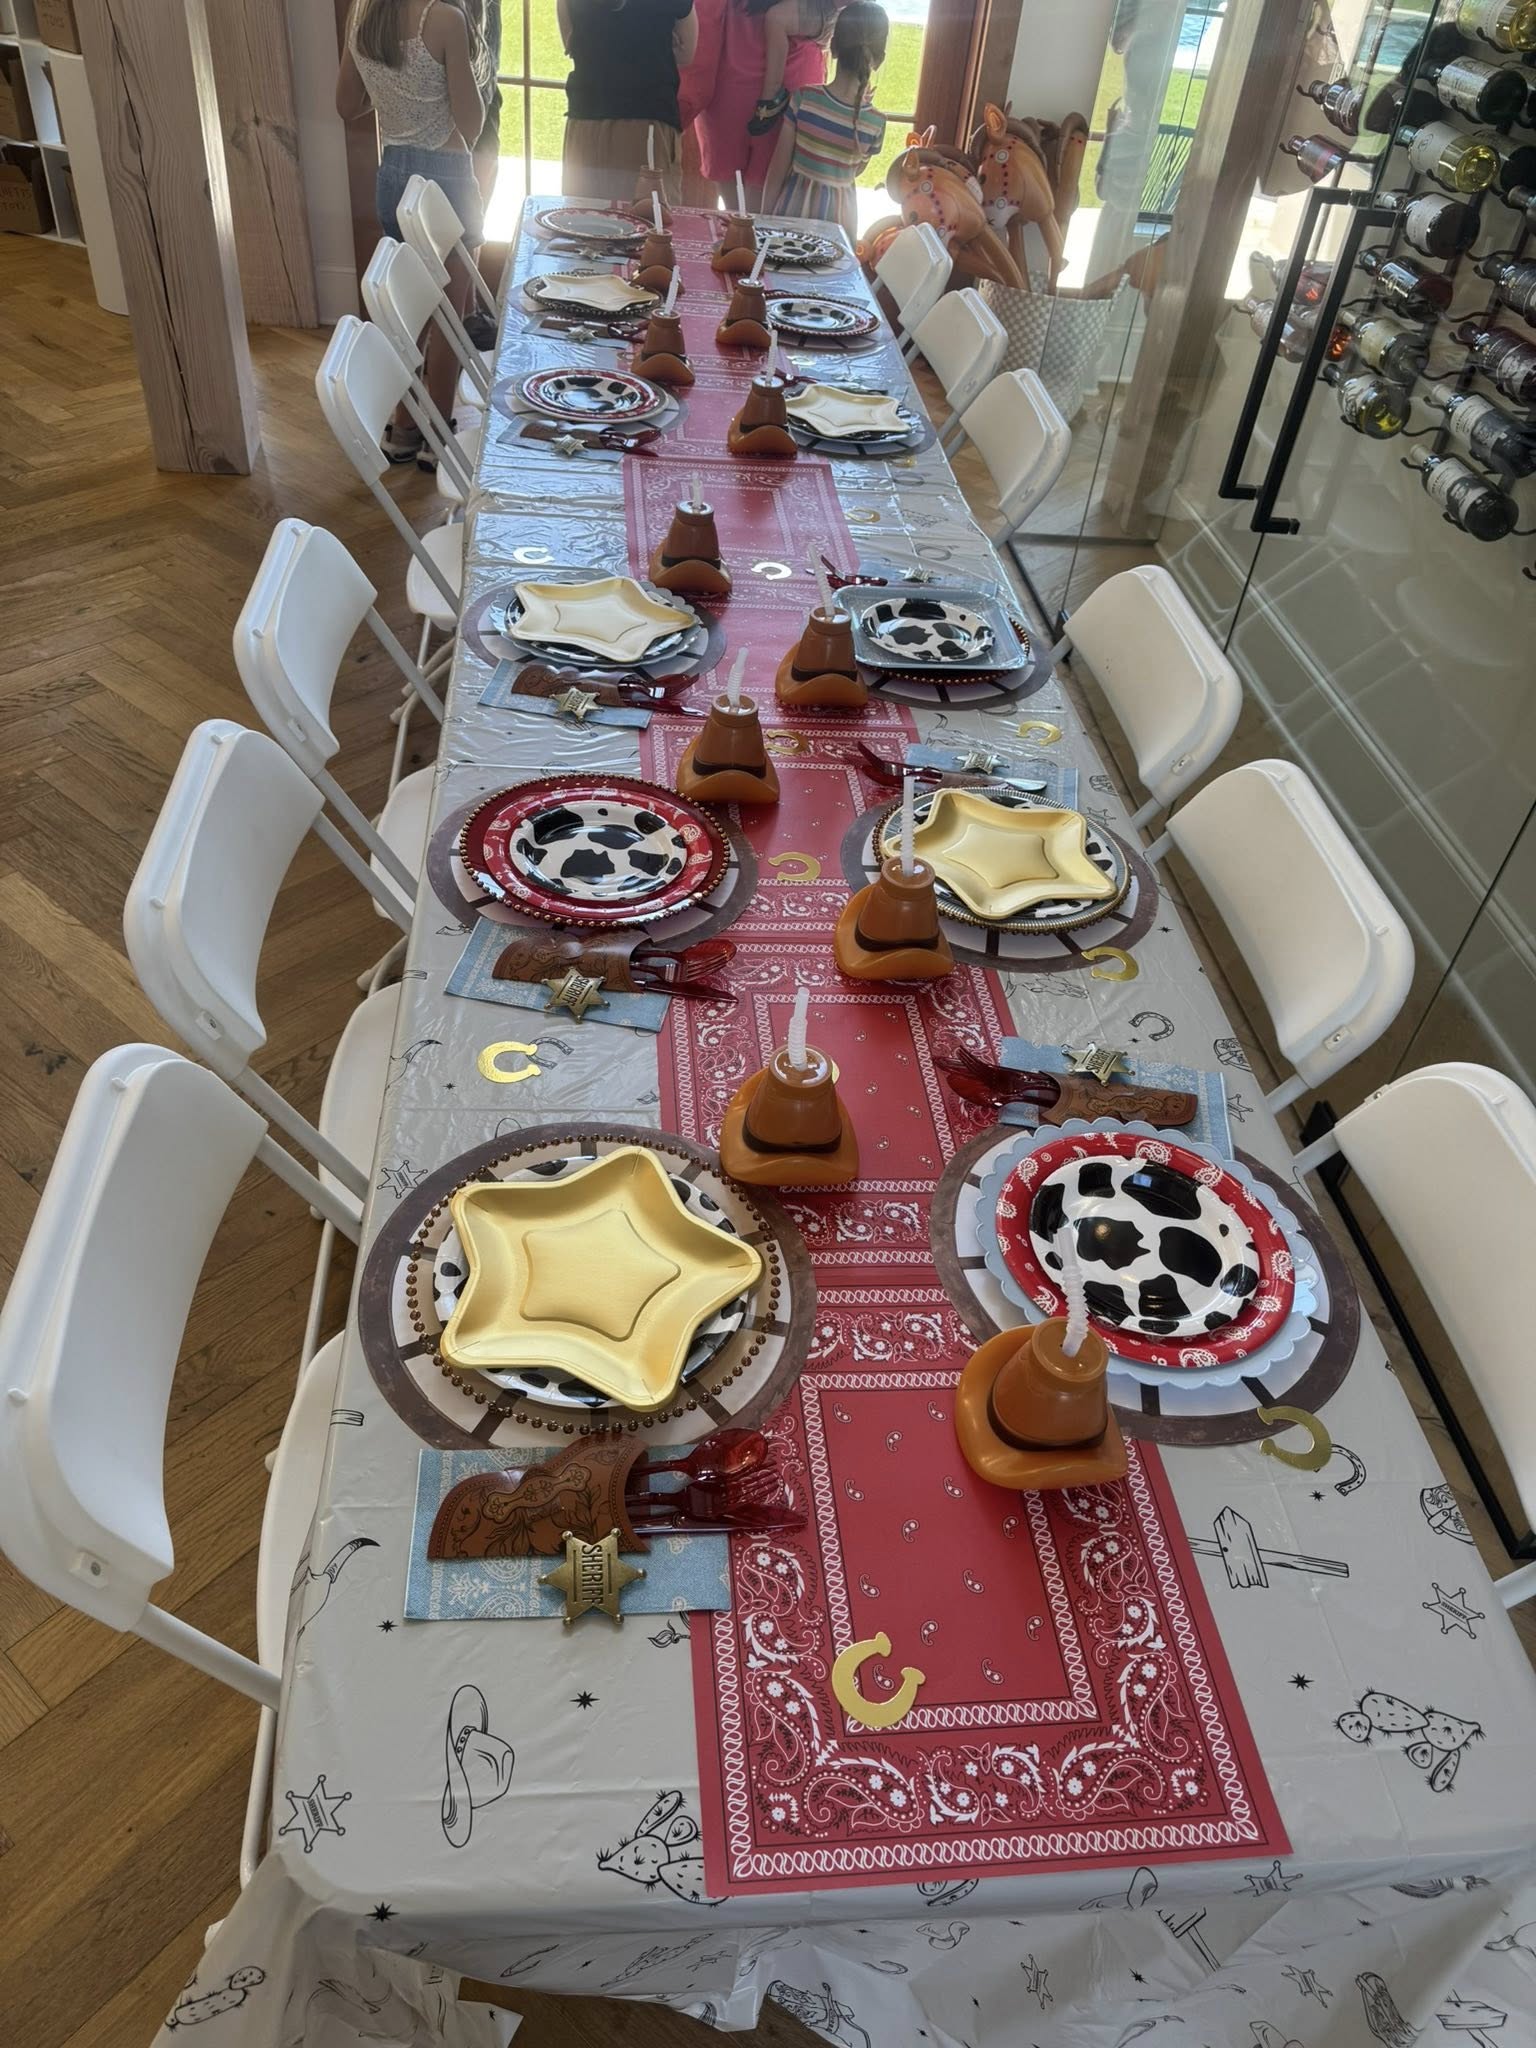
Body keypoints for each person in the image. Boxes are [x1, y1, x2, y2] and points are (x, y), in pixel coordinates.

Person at [336, 0, 491, 467]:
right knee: (449, 310)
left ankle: (403, 427)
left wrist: (389, 94)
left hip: (394, 171)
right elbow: (471, 122)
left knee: (408, 311)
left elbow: (346, 105)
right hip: (446, 174)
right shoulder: (444, 19)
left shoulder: (363, 17)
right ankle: (437, 432)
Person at [684, 0, 834, 207]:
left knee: (735, 209)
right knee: (765, 204)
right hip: (790, 85)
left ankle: (739, 235)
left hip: (728, 82)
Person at [763, 0, 885, 239]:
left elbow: (777, 169)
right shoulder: (876, 122)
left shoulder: (804, 99)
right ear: (879, 58)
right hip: (839, 230)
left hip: (791, 221)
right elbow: (855, 170)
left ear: (834, 47)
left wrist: (764, 221)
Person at [558, 0, 698, 207]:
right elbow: (686, 53)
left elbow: (572, 44)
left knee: (582, 223)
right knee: (649, 226)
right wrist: (651, 43)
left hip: (586, 116)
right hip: (649, 118)